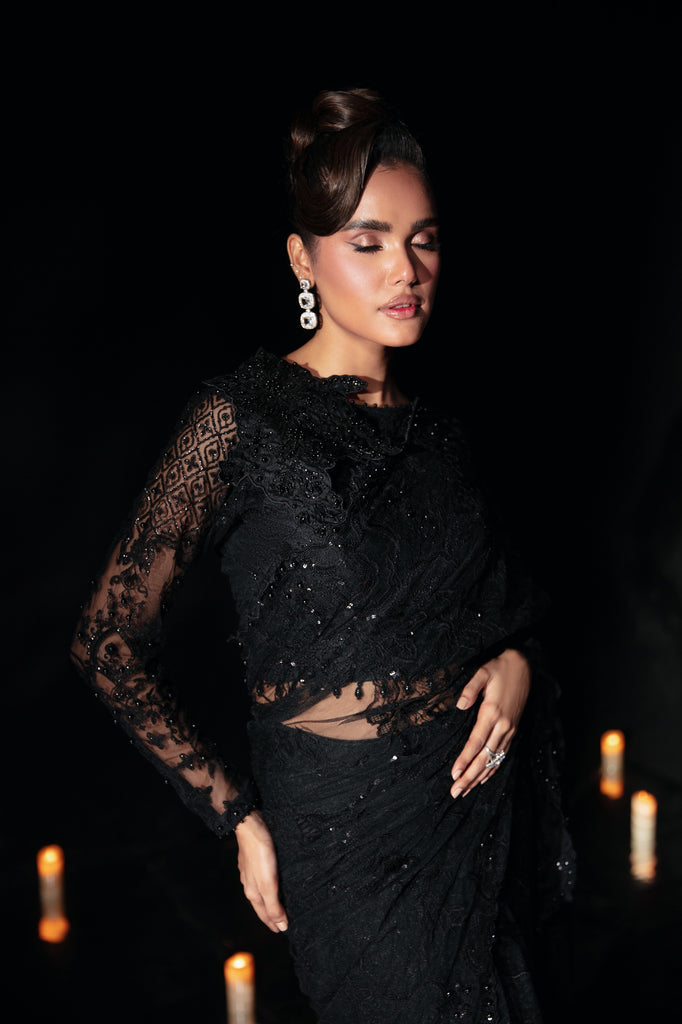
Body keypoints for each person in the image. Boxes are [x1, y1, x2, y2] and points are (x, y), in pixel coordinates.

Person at [71, 88, 573, 1023]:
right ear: (303, 259)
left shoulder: (444, 440)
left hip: (473, 827)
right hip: (343, 845)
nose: (405, 270)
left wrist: (517, 667)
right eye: (368, 242)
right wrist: (237, 816)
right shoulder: (241, 420)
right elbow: (108, 642)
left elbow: (510, 615)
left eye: (423, 240)